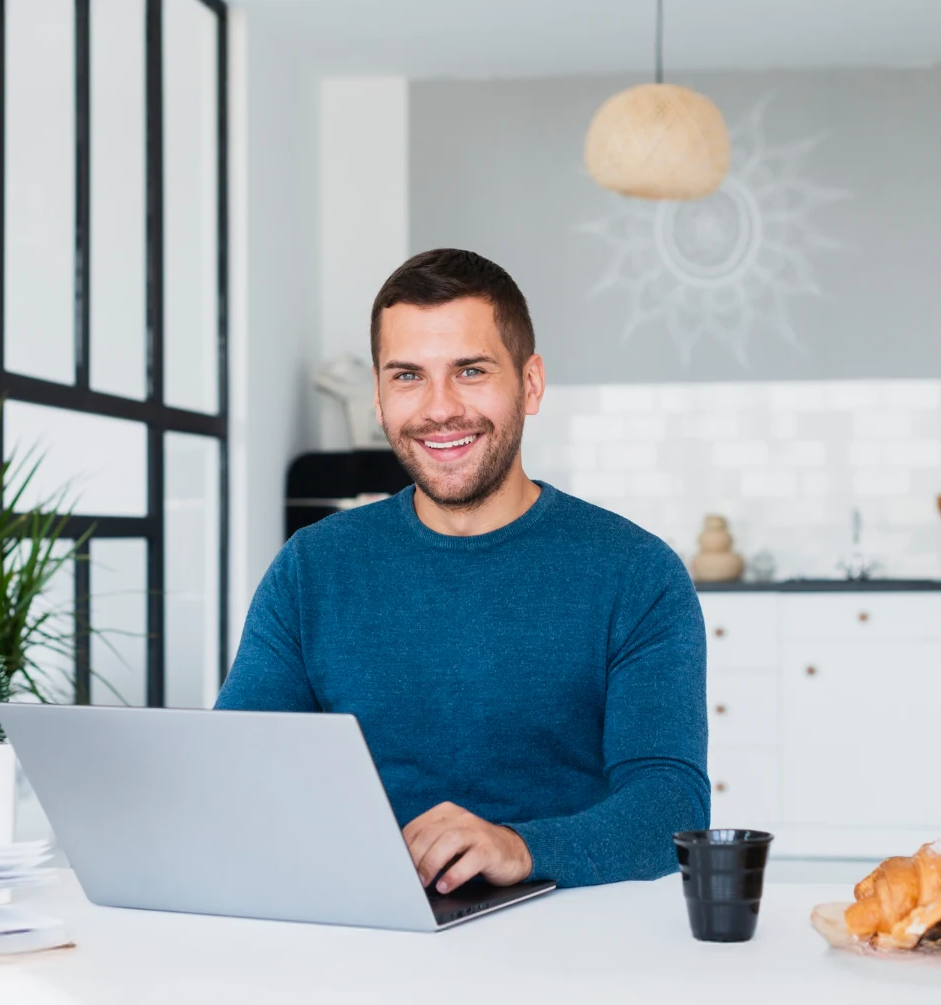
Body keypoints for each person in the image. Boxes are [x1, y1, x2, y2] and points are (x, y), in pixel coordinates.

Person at [217, 248, 708, 893]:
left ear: (530, 385)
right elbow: (235, 771)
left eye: (470, 371)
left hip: (569, 938)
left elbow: (672, 808)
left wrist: (521, 847)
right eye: (408, 376)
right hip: (366, 929)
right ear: (378, 394)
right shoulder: (311, 568)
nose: (439, 408)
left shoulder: (637, 574)